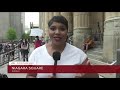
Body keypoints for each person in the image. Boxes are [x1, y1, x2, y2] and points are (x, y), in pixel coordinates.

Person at [26, 16, 99, 78]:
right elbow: (30, 75)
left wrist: (89, 73)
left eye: (62, 29)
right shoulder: (37, 53)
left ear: (67, 31)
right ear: (48, 31)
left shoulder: (79, 55)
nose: (57, 32)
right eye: (53, 28)